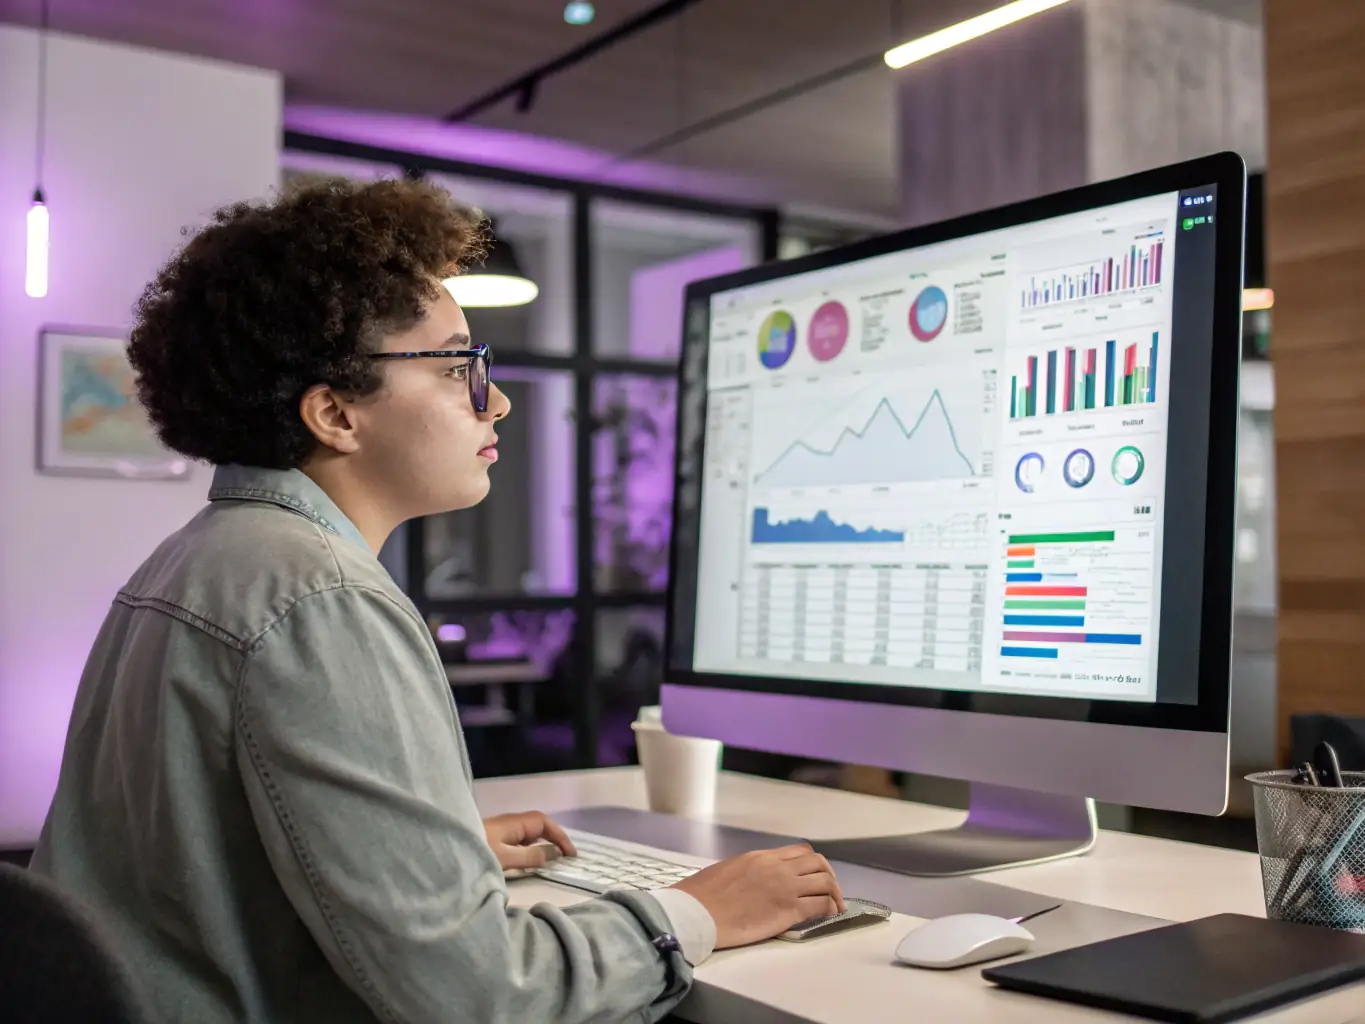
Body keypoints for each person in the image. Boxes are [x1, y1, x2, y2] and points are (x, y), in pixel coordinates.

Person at [29, 178, 844, 1023]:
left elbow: (193, 865)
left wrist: (414, 865)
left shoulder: (196, 560)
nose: (497, 398)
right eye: (459, 366)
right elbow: (480, 997)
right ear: (335, 414)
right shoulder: (319, 596)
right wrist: (696, 914)